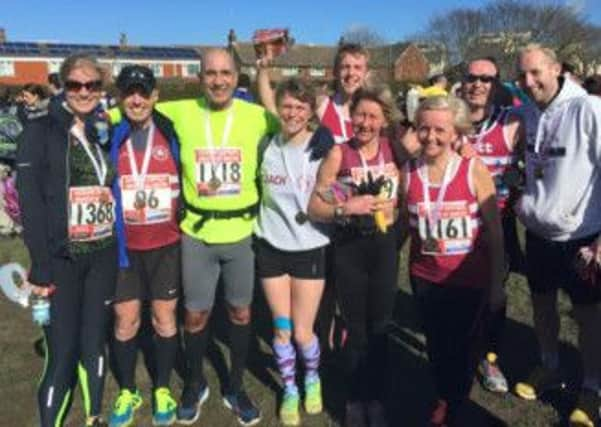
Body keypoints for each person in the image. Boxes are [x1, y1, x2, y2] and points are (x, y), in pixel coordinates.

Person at [112, 48, 279, 426]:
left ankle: (235, 387)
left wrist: (318, 136)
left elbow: (290, 120)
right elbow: (124, 109)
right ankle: (193, 383)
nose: (218, 80)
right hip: (196, 235)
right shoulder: (179, 111)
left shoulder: (254, 115)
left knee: (240, 311)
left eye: (226, 73)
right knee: (195, 315)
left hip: (240, 234)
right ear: (200, 77)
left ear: (237, 77)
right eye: (210, 74)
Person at [16, 53, 117, 427]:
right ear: (62, 86)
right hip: (61, 260)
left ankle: (94, 417)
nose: (84, 92)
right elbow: (30, 204)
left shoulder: (97, 129)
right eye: (75, 84)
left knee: (94, 344)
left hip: (101, 255)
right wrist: (40, 266)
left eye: (92, 85)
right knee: (62, 353)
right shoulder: (40, 130)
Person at [399, 95, 505, 426]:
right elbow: (404, 224)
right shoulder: (408, 171)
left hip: (468, 279)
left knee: (460, 350)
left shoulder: (473, 168)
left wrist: (498, 283)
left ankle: (451, 404)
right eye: (424, 128)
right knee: (436, 342)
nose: (431, 137)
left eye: (440, 130)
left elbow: (494, 229)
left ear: (455, 130)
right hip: (424, 275)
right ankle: (445, 394)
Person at [513, 44, 601, 427]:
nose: (529, 82)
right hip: (538, 232)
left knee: (588, 317)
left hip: (581, 235)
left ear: (557, 69)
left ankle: (593, 388)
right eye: (522, 76)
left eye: (536, 73)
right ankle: (549, 366)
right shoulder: (529, 111)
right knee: (542, 306)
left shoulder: (589, 109)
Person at [308, 85, 400, 427]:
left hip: (384, 247)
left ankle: (375, 398)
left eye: (373, 116)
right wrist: (346, 206)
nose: (365, 122)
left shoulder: (394, 150)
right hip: (349, 249)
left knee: (381, 325)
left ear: (384, 120)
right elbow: (315, 205)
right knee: (355, 327)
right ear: (351, 116)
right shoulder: (339, 153)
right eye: (360, 114)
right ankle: (354, 399)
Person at [254, 78, 333, 426]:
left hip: (309, 247)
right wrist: (262, 68)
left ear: (311, 111)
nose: (293, 113)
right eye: (287, 106)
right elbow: (265, 96)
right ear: (278, 108)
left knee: (303, 331)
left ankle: (312, 378)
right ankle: (289, 388)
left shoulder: (321, 147)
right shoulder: (266, 145)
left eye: (301, 107)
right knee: (281, 328)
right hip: (271, 247)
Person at [107, 65, 181, 427]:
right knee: (125, 321)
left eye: (143, 92)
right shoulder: (109, 133)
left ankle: (162, 388)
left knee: (164, 319)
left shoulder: (172, 130)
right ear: (120, 97)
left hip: (166, 244)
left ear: (155, 96)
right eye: (129, 92)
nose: (136, 99)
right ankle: (127, 389)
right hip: (125, 249)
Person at [459, 57, 524, 394]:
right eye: (472, 77)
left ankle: (490, 357)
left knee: (495, 293)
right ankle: (458, 351)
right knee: (456, 292)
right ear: (462, 80)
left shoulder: (513, 122)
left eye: (487, 78)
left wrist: (522, 184)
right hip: (456, 221)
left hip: (498, 221)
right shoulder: (449, 120)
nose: (478, 84)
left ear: (496, 84)